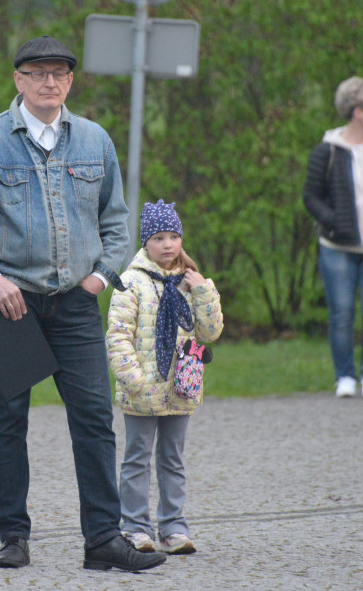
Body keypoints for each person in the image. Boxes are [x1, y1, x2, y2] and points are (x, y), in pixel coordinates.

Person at [0, 35, 167, 572]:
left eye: (60, 73)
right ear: (18, 79)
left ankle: (103, 541)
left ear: (70, 81)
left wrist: (100, 278)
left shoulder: (94, 141)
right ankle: (13, 536)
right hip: (7, 303)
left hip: (74, 303)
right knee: (8, 418)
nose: (50, 82)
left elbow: (116, 221)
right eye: (39, 72)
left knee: (94, 417)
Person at [106, 199, 223, 555]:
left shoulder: (190, 283)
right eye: (159, 237)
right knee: (137, 458)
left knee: (173, 459)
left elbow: (211, 331)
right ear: (146, 242)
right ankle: (136, 526)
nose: (168, 244)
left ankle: (173, 526)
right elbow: (118, 334)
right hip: (142, 389)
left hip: (180, 389)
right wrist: (134, 379)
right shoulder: (130, 282)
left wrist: (203, 289)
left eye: (174, 236)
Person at [303, 77, 363, 398]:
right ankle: (344, 376)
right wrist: (334, 222)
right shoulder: (327, 152)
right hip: (337, 249)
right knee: (342, 313)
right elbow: (311, 197)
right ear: (357, 112)